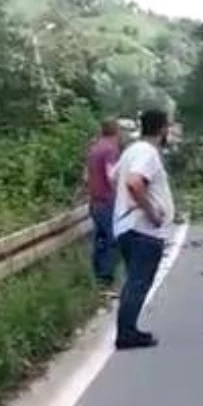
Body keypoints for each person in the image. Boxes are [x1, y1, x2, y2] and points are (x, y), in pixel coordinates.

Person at [111, 109, 175, 350]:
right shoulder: (148, 153)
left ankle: (129, 329)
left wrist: (123, 204)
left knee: (134, 281)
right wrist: (152, 212)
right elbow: (134, 183)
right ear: (162, 129)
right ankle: (126, 334)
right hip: (143, 229)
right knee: (138, 282)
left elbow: (113, 177)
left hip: (126, 226)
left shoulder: (131, 151)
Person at [85, 118, 121, 292]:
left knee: (99, 239)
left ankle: (96, 276)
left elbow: (86, 177)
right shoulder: (110, 150)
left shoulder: (94, 148)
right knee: (112, 240)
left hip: (95, 201)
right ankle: (106, 280)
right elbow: (112, 176)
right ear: (116, 131)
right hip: (107, 200)